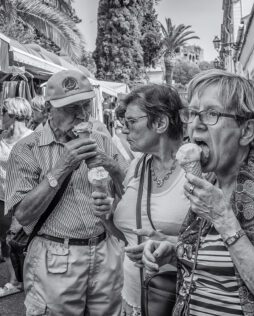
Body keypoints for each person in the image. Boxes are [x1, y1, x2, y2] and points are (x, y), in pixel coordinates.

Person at [141, 70, 254, 315]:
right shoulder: (209, 181)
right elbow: (219, 264)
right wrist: (174, 252)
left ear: (246, 131)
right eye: (193, 113)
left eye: (211, 113)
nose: (195, 124)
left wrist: (223, 218)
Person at [5, 70, 128, 315]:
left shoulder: (102, 141)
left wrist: (113, 167)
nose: (82, 115)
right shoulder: (26, 149)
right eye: (73, 108)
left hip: (106, 252)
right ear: (50, 107)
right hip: (55, 257)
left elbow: (130, 190)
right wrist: (62, 167)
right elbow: (23, 215)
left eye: (85, 106)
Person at [91, 84, 190, 316]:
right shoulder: (137, 166)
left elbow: (213, 244)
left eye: (131, 122)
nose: (124, 131)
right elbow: (130, 237)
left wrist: (170, 245)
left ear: (160, 123)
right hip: (136, 297)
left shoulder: (196, 169)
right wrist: (106, 218)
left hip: (179, 298)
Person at [0, 97, 33, 297]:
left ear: (12, 115)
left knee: (24, 238)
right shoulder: (1, 139)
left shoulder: (33, 138)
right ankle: (15, 280)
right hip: (2, 197)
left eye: (3, 113)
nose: (1, 117)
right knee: (7, 238)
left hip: (24, 198)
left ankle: (24, 280)